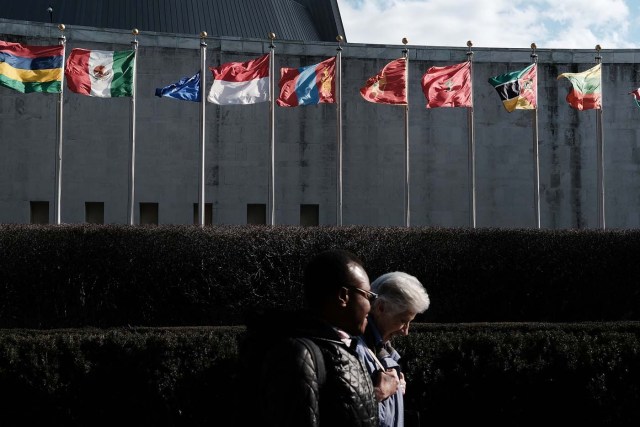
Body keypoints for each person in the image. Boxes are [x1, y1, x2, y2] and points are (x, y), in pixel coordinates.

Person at [237, 249, 379, 427]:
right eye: (368, 296)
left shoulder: (339, 345)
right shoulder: (297, 354)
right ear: (344, 296)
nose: (370, 306)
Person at [354, 271, 430, 427]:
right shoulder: (353, 349)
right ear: (380, 307)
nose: (405, 331)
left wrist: (395, 394)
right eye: (403, 321)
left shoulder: (384, 351)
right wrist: (378, 394)